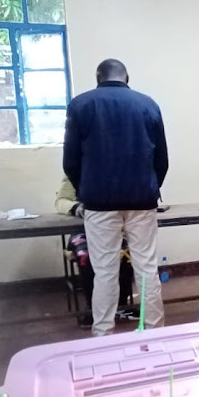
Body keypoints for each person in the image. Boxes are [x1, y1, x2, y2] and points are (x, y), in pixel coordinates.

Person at [63, 59, 168, 336]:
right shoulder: (148, 104)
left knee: (105, 271)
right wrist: (149, 187)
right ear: (127, 77)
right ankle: (155, 330)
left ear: (98, 78)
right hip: (142, 202)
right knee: (147, 268)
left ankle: (103, 334)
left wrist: (85, 191)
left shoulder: (81, 105)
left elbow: (70, 161)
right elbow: (162, 160)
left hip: (99, 204)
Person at [55, 176, 134, 328]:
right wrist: (76, 208)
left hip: (112, 228)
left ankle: (121, 307)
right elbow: (61, 201)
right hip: (82, 230)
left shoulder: (116, 169)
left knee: (125, 252)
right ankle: (93, 309)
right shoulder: (75, 170)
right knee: (87, 256)